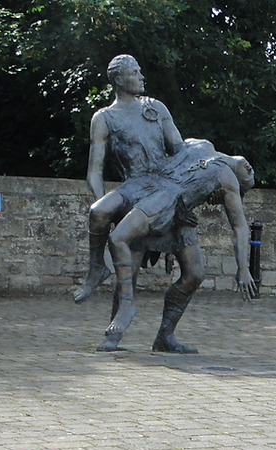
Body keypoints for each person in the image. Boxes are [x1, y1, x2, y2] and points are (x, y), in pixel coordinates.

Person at [96, 138, 258, 353]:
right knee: (129, 270)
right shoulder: (200, 143)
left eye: (248, 178)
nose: (250, 170)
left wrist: (243, 268)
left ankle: (165, 335)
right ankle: (113, 335)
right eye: (250, 172)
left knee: (195, 274)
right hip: (155, 198)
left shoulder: (228, 181)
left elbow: (240, 226)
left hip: (180, 218)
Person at [73, 54, 184, 304]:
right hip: (133, 185)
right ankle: (96, 268)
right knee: (98, 211)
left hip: (161, 185)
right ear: (119, 80)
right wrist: (104, 202)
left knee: (192, 272)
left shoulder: (156, 108)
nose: (141, 77)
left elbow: (179, 149)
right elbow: (95, 170)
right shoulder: (104, 118)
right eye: (135, 73)